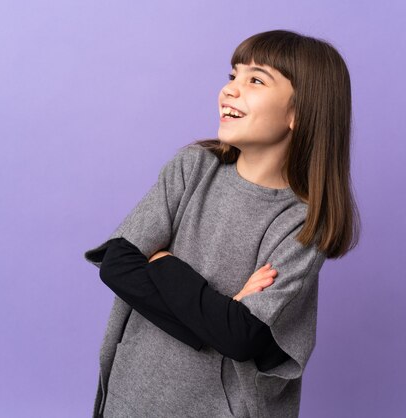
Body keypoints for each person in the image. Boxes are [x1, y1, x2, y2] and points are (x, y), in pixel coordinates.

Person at [83, 29, 360, 418]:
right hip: (130, 399)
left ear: (300, 112)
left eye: (255, 80)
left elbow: (242, 337)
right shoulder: (193, 167)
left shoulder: (303, 222)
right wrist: (222, 313)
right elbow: (117, 265)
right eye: (233, 76)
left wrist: (162, 262)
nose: (230, 90)